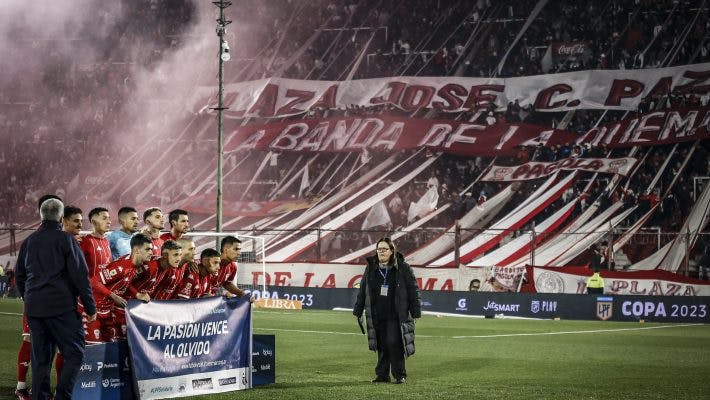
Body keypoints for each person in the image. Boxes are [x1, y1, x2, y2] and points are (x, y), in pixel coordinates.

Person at [15, 197, 97, 400]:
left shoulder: (29, 241)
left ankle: (41, 397)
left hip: (35, 309)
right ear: (61, 217)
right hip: (61, 309)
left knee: (41, 359)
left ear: (41, 216)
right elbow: (81, 276)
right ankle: (62, 396)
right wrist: (90, 307)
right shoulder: (66, 240)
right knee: (75, 353)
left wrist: (30, 297)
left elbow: (19, 275)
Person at [353, 237, 421, 384]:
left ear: (392, 251)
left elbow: (413, 290)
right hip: (377, 313)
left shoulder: (403, 268)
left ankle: (399, 374)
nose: (381, 252)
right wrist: (357, 311)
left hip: (396, 313)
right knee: (382, 343)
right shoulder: (371, 267)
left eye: (384, 249)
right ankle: (382, 375)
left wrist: (416, 311)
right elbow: (363, 290)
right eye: (379, 249)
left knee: (394, 342)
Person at [15, 194, 63, 400]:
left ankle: (47, 388)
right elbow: (20, 273)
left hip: (55, 302)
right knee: (31, 341)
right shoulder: (34, 239)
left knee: (58, 344)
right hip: (37, 301)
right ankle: (22, 387)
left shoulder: (62, 236)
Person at [87, 233, 153, 342]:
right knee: (92, 350)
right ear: (136, 250)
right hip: (93, 310)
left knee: (111, 348)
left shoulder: (134, 265)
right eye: (147, 249)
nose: (151, 252)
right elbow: (93, 282)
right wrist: (113, 296)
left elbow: (126, 282)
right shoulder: (121, 267)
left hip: (107, 311)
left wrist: (137, 294)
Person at [79, 207, 112, 278]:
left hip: (106, 285)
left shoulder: (106, 241)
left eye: (109, 218)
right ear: (93, 222)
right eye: (104, 218)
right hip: (91, 287)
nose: (109, 221)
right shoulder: (85, 241)